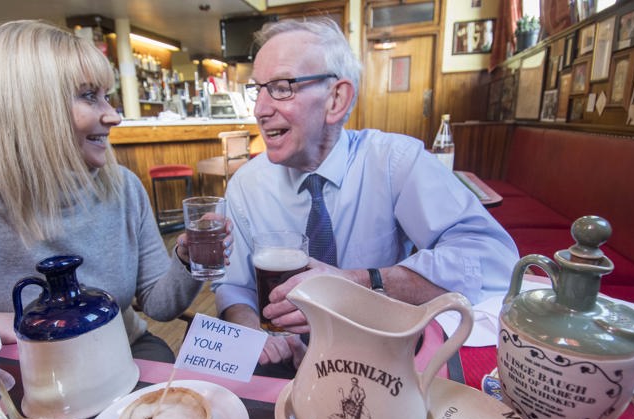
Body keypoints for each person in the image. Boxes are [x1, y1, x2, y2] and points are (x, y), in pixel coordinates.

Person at [0, 20, 232, 361]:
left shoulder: (123, 187)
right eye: (89, 96)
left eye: (107, 95)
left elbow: (158, 305)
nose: (113, 115)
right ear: (28, 108)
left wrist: (186, 259)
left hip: (124, 350)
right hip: (21, 371)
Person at [213, 18, 518, 377]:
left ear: (336, 99)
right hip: (284, 367)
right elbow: (234, 287)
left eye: (281, 88)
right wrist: (252, 332)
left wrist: (360, 281)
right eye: (258, 90)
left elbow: (495, 261)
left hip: (379, 362)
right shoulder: (246, 185)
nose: (260, 110)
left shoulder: (394, 162)